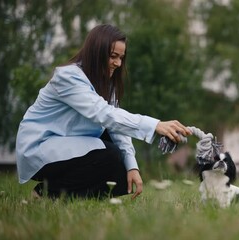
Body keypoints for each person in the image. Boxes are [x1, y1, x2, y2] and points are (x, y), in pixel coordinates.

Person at [15, 24, 192, 199]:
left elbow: (116, 126)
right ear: (96, 52)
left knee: (121, 175)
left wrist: (132, 166)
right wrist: (155, 125)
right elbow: (103, 114)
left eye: (121, 57)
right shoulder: (68, 77)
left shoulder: (106, 83)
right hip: (40, 147)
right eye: (113, 56)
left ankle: (67, 197)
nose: (118, 63)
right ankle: (46, 193)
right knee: (110, 155)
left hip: (67, 144)